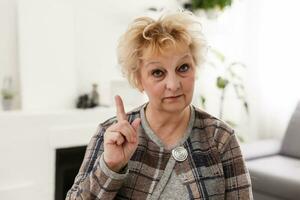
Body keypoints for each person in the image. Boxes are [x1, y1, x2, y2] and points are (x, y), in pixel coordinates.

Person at [66, 11, 253, 200]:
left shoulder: (220, 137)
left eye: (183, 68)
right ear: (138, 80)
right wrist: (110, 166)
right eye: (157, 72)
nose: (173, 84)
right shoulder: (112, 134)